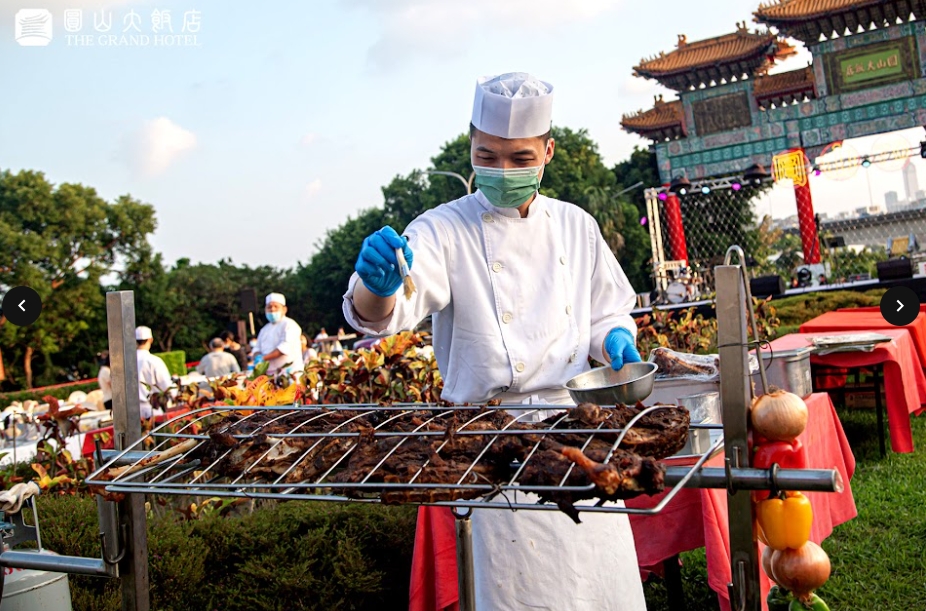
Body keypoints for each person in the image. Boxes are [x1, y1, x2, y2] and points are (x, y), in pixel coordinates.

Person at [342, 72, 646, 610]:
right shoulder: (442, 229)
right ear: (472, 146)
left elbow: (606, 311)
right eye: (489, 155)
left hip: (578, 434)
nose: (502, 171)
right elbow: (380, 315)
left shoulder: (577, 226)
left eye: (520, 158)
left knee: (604, 589)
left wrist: (616, 339)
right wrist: (376, 285)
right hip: (493, 446)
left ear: (548, 151)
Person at [255, 293, 304, 375]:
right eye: (269, 307)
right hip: (270, 375)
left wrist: (263, 358)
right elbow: (256, 349)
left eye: (276, 306)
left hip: (290, 373)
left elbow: (284, 348)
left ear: (284, 309)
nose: (272, 309)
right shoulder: (264, 330)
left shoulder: (290, 325)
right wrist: (257, 357)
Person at [135, 326, 172, 419]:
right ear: (151, 340)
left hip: (131, 412)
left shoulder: (125, 362)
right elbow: (166, 386)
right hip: (152, 410)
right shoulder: (154, 361)